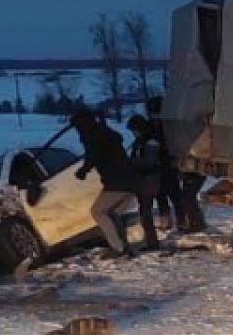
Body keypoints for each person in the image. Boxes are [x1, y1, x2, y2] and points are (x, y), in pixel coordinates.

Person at [69, 108, 139, 258]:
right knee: (113, 214)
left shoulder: (93, 136)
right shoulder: (103, 132)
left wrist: (83, 171)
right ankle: (123, 247)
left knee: (98, 212)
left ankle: (118, 249)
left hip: (117, 182)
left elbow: (93, 155)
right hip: (129, 180)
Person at [145, 96, 184, 230]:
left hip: (163, 166)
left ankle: (171, 221)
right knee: (172, 195)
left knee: (166, 196)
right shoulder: (170, 125)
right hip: (167, 165)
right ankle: (179, 220)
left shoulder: (154, 127)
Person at [126, 114, 162, 251]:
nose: (133, 133)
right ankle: (151, 241)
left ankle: (152, 243)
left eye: (134, 130)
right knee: (144, 213)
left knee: (145, 213)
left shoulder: (150, 142)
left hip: (149, 181)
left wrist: (131, 163)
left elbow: (149, 162)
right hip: (145, 181)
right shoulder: (142, 141)